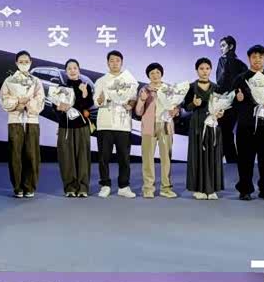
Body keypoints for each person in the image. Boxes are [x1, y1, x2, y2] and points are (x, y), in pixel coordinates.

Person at [233, 45, 264, 201]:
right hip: (246, 125)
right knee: (245, 160)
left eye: (260, 57)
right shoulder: (240, 78)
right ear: (249, 59)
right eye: (254, 57)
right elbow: (231, 102)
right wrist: (238, 99)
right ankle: (245, 190)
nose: (257, 60)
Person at [0, 51, 45, 198]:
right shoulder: (9, 80)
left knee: (32, 154)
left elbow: (40, 102)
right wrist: (17, 102)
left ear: (31, 62)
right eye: (21, 61)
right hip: (15, 121)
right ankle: (18, 187)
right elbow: (4, 100)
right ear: (16, 63)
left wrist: (28, 102)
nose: (24, 64)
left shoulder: (36, 81)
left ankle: (29, 186)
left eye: (26, 61)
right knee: (15, 154)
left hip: (31, 121)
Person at [94, 50, 138, 199]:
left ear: (121, 62)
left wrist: (130, 104)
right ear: (107, 63)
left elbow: (133, 99)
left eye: (117, 60)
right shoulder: (101, 81)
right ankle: (105, 185)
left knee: (124, 157)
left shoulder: (129, 80)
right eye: (111, 60)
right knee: (103, 157)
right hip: (105, 124)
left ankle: (123, 186)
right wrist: (101, 99)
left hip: (123, 124)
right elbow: (96, 101)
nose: (114, 63)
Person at [135, 63, 178, 199]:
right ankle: (148, 188)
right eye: (152, 73)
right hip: (149, 127)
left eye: (157, 72)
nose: (155, 75)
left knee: (166, 159)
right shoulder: (144, 90)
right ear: (148, 75)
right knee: (147, 159)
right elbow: (138, 112)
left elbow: (176, 108)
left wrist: (175, 111)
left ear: (161, 74)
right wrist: (142, 100)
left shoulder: (169, 89)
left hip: (165, 126)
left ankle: (166, 188)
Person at [185, 58, 225, 200]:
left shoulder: (217, 87)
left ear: (211, 70)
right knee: (197, 155)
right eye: (201, 68)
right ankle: (198, 189)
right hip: (197, 124)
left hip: (212, 124)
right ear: (197, 70)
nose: (204, 71)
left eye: (207, 68)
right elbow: (186, 107)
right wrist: (193, 104)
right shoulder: (191, 87)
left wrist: (221, 113)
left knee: (213, 155)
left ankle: (212, 189)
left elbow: (222, 107)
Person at [56, 59, 94, 198]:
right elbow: (55, 106)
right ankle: (70, 187)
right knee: (66, 157)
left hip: (81, 127)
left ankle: (83, 187)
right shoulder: (61, 87)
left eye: (75, 68)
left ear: (79, 70)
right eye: (69, 68)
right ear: (66, 71)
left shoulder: (85, 86)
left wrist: (84, 93)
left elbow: (88, 104)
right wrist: (59, 107)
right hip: (65, 127)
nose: (72, 70)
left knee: (83, 157)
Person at [216, 35, 247, 163]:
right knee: (226, 131)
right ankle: (231, 160)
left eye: (223, 46)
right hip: (235, 103)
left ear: (231, 46)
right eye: (220, 46)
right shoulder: (242, 64)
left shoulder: (223, 61)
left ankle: (228, 159)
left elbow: (220, 81)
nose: (221, 49)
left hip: (226, 101)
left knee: (224, 131)